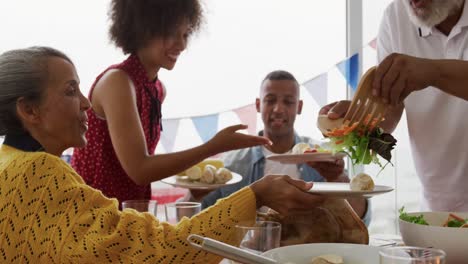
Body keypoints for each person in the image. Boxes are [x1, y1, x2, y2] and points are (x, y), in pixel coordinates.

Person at [0, 46, 325, 263]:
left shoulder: (12, 161)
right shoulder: (39, 172)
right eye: (72, 90)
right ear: (29, 110)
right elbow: (160, 249)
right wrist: (254, 195)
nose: (86, 103)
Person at [71, 0, 271, 204]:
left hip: (129, 214)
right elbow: (140, 169)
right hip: (93, 215)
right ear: (142, 29)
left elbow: (145, 167)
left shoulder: (157, 89)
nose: (182, 45)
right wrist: (211, 147)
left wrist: (196, 185)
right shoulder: (117, 82)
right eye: (171, 33)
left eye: (185, 34)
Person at [321, 0, 468, 211]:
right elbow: (389, 113)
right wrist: (359, 121)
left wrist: (431, 72)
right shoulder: (396, 15)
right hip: (436, 211)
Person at [197, 70, 370, 224]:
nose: (278, 109)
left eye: (288, 102)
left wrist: (337, 178)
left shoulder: (321, 157)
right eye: (270, 100)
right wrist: (195, 191)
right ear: (258, 105)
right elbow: (198, 217)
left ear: (299, 107)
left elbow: (361, 218)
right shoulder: (232, 164)